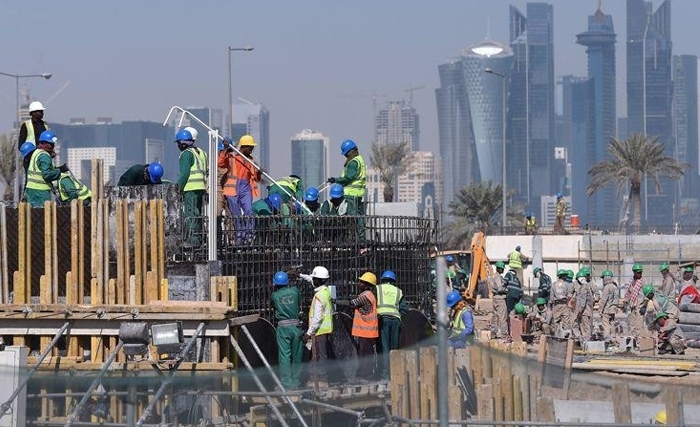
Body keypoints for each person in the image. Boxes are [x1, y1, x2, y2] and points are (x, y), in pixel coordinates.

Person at [335, 272, 379, 381]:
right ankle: (364, 374)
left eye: (362, 282)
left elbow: (352, 303)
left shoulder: (365, 296)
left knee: (365, 354)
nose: (359, 284)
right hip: (366, 332)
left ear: (367, 284)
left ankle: (366, 375)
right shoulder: (368, 295)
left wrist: (336, 301)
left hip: (366, 331)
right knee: (363, 353)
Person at [219, 135, 261, 241]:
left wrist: (259, 173)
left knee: (249, 211)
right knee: (236, 214)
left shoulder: (251, 160)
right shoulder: (232, 156)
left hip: (245, 188)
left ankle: (249, 236)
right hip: (232, 189)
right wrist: (225, 149)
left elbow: (256, 178)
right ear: (244, 147)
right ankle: (239, 237)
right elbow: (220, 163)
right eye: (250, 147)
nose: (252, 149)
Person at [270, 271, 303, 389]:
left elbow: (273, 306)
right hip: (296, 327)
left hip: (283, 328)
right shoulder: (294, 291)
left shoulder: (274, 295)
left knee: (285, 356)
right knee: (297, 355)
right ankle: (296, 382)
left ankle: (287, 383)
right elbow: (299, 299)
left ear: (275, 283)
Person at [301, 266, 333, 388]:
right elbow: (310, 279)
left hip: (319, 330)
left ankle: (321, 380)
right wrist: (300, 275)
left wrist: (309, 333)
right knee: (321, 355)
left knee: (319, 355)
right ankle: (320, 378)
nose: (312, 280)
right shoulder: (325, 291)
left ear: (319, 280)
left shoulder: (319, 296)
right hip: (323, 330)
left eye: (314, 278)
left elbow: (317, 318)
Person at [175, 128, 208, 247]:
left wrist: (178, 189)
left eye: (178, 143)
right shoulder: (202, 153)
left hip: (190, 188)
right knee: (198, 214)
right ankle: (199, 238)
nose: (177, 146)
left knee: (191, 214)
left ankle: (193, 242)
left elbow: (184, 174)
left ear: (183, 143)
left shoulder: (186, 154)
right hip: (201, 188)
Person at [375, 270, 408, 379]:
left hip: (382, 319)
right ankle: (395, 372)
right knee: (394, 346)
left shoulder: (377, 289)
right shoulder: (398, 291)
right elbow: (404, 309)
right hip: (395, 320)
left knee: (384, 346)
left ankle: (384, 373)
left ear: (383, 279)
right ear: (393, 281)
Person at [25, 130, 65, 208]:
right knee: (43, 216)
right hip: (41, 191)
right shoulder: (44, 156)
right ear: (42, 143)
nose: (52, 146)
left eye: (53, 144)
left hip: (30, 189)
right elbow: (46, 175)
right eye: (50, 144)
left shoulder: (36, 152)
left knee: (33, 215)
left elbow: (40, 170)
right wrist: (60, 171)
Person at [327, 139, 366, 215]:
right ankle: (360, 227)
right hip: (358, 193)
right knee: (357, 214)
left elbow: (348, 178)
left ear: (351, 151)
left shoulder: (353, 163)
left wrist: (335, 180)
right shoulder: (360, 159)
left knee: (351, 215)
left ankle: (357, 227)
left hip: (351, 194)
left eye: (346, 154)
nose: (345, 156)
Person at [572, 268, 594, 341]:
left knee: (585, 328)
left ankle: (586, 344)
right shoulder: (588, 287)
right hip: (588, 310)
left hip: (584, 312)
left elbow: (583, 302)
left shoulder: (584, 288)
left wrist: (579, 312)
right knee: (586, 328)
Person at [625, 263, 647, 336]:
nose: (639, 274)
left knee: (639, 325)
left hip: (640, 306)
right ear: (634, 272)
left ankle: (639, 343)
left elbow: (647, 294)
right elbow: (629, 292)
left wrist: (644, 305)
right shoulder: (632, 281)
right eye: (638, 272)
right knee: (632, 324)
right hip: (632, 306)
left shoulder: (643, 281)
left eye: (640, 272)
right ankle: (634, 340)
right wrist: (626, 301)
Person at [549, 269, 573, 335]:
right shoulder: (567, 284)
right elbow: (569, 295)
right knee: (566, 321)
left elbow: (551, 297)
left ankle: (555, 336)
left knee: (555, 321)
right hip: (564, 305)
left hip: (556, 305)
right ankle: (567, 337)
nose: (566, 277)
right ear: (563, 276)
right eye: (565, 276)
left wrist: (550, 306)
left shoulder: (553, 284)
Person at [599, 270, 620, 340]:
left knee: (606, 325)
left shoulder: (607, 287)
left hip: (607, 309)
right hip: (613, 309)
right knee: (612, 325)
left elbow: (604, 300)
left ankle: (607, 341)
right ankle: (613, 339)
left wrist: (600, 310)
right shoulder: (615, 287)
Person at [491, 261, 509, 339]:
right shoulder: (498, 277)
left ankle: (493, 333)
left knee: (495, 317)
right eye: (502, 269)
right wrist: (507, 289)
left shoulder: (494, 276)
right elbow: (500, 288)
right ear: (499, 268)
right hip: (500, 298)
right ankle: (504, 335)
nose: (503, 270)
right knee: (502, 317)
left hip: (495, 298)